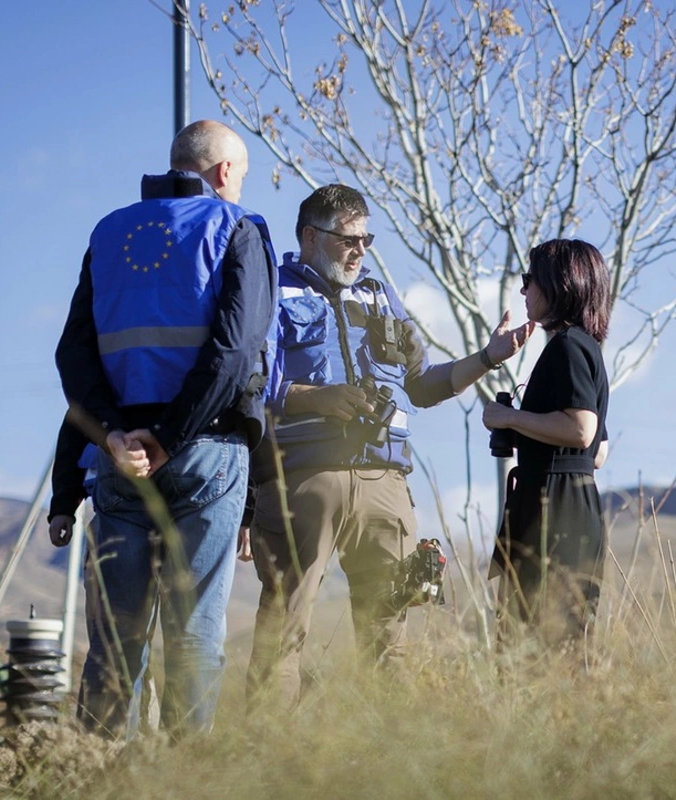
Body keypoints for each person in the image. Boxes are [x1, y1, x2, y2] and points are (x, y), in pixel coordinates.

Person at [246, 183, 534, 708]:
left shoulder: (381, 294)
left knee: (389, 641)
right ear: (310, 236)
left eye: (366, 239)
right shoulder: (272, 289)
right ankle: (266, 762)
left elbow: (424, 385)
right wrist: (316, 397)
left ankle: (389, 767)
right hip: (302, 481)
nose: (360, 250)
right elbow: (250, 381)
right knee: (283, 631)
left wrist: (489, 356)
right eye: (348, 239)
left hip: (386, 486)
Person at [54, 120, 276, 738]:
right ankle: (184, 782)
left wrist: (115, 438)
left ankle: (92, 775)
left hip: (119, 461)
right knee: (194, 636)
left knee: (114, 644)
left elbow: (73, 355)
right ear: (225, 173)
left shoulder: (106, 233)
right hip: (203, 453)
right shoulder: (238, 227)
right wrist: (170, 437)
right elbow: (236, 354)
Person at [481, 239, 611, 649]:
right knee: (565, 646)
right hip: (577, 507)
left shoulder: (568, 347)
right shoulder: (586, 348)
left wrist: (509, 418)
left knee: (532, 649)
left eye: (529, 280)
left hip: (551, 511)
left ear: (559, 284)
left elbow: (582, 432)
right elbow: (599, 453)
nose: (523, 291)